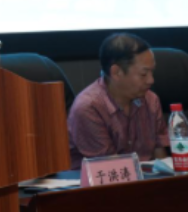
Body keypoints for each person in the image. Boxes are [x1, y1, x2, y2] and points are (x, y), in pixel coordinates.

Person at [67, 33, 168, 169]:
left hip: (146, 178)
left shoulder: (151, 100)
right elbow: (110, 168)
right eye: (143, 74)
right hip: (101, 179)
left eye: (152, 72)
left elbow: (161, 157)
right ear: (116, 72)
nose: (151, 80)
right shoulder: (88, 108)